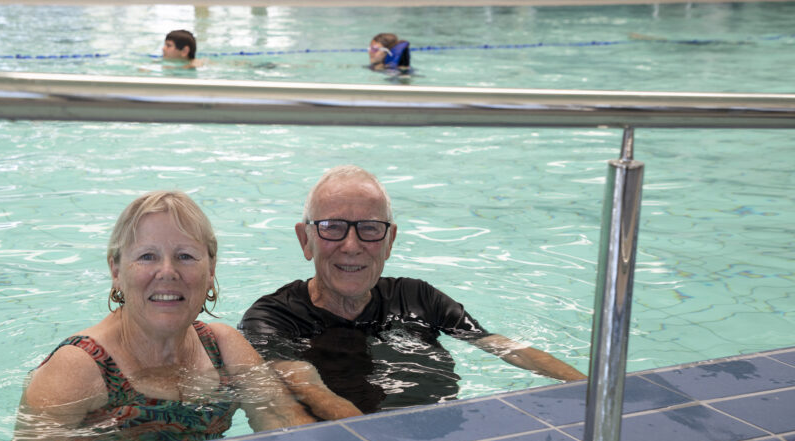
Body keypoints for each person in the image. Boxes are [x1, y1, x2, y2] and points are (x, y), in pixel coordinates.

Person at [3, 191, 355, 441]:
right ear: (115, 269)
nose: (167, 272)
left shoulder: (223, 348)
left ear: (211, 267)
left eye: (185, 256)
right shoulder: (78, 369)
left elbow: (285, 427)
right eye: (147, 257)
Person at [240, 165, 587, 416]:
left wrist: (590, 390)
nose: (351, 245)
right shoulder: (273, 318)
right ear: (306, 240)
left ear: (389, 241)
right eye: (332, 228)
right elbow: (310, 390)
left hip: (441, 429)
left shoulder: (418, 298)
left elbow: (504, 346)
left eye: (370, 229)